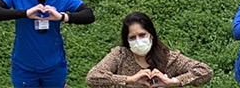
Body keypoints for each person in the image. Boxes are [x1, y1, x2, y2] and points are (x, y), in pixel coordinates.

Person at [84, 12, 214, 87]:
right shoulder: (120, 55)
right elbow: (92, 78)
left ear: (151, 34)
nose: (138, 40)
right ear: (127, 40)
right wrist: (129, 79)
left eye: (142, 35)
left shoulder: (169, 58)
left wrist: (173, 82)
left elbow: (205, 72)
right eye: (132, 37)